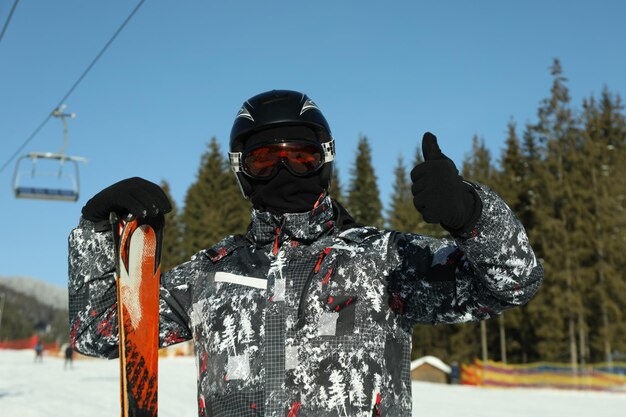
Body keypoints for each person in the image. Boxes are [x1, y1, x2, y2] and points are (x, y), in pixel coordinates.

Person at [68, 90, 543, 416]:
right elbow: (97, 332)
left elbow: (513, 283)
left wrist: (472, 215)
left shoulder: (381, 262)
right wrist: (94, 231)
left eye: (300, 157)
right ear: (241, 170)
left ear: (325, 161)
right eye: (264, 159)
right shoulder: (211, 276)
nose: (284, 170)